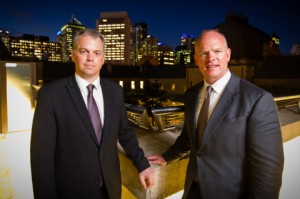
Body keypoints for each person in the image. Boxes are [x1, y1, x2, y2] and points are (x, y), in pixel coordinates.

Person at [147, 29, 284, 199]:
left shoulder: (258, 100)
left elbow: (268, 172)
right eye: (204, 53)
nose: (210, 58)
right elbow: (189, 137)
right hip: (193, 190)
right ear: (196, 60)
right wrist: (166, 157)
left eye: (217, 51)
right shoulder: (191, 94)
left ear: (228, 55)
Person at [30, 28, 155, 199]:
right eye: (84, 51)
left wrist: (143, 165)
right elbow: (41, 159)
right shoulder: (51, 95)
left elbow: (125, 133)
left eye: (96, 53)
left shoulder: (115, 92)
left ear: (103, 59)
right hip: (70, 192)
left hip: (110, 189)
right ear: (73, 55)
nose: (90, 58)